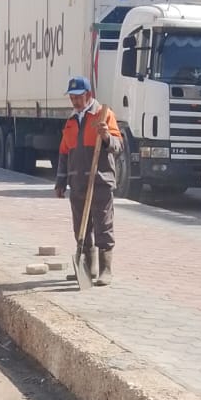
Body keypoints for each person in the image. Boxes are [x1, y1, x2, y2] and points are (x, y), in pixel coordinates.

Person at [54, 77, 122, 286]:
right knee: (80, 228)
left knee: (103, 225)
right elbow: (64, 152)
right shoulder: (71, 121)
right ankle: (86, 268)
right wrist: (60, 181)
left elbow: (118, 146)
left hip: (100, 180)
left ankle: (105, 270)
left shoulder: (103, 115)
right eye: (72, 97)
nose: (74, 101)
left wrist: (106, 137)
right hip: (78, 182)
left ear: (88, 95)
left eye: (78, 97)